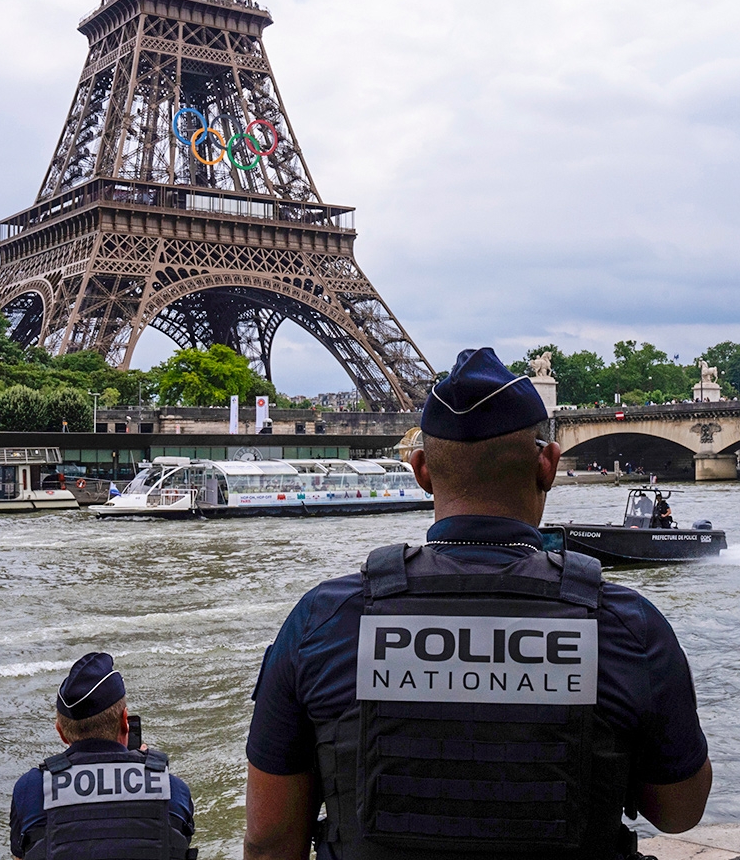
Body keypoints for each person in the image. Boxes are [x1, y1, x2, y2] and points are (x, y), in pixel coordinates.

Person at [244, 348, 713, 860]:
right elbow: (679, 812)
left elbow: (270, 841)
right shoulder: (628, 625)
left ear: (420, 470)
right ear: (549, 465)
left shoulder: (322, 620)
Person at [10, 652, 196, 860]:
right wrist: (141, 771)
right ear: (125, 721)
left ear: (61, 732)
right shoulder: (171, 788)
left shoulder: (31, 788)